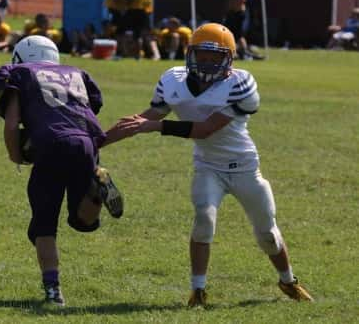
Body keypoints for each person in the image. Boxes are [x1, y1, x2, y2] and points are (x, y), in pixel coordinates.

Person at [117, 23, 314, 306]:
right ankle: (198, 290)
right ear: (190, 54)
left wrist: (156, 127)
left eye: (214, 57)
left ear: (229, 59)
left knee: (268, 233)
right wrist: (96, 142)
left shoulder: (240, 83)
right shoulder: (173, 79)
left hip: (244, 167)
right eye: (202, 56)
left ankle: (288, 281)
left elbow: (205, 129)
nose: (207, 63)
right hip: (208, 166)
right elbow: (141, 118)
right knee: (204, 219)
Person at [0, 36, 136, 306]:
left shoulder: (19, 74)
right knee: (83, 222)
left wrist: (16, 156)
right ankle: (97, 189)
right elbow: (88, 109)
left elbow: (11, 125)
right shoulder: (76, 72)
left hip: (50, 143)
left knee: (44, 225)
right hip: (86, 142)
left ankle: (53, 291)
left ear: (21, 57)